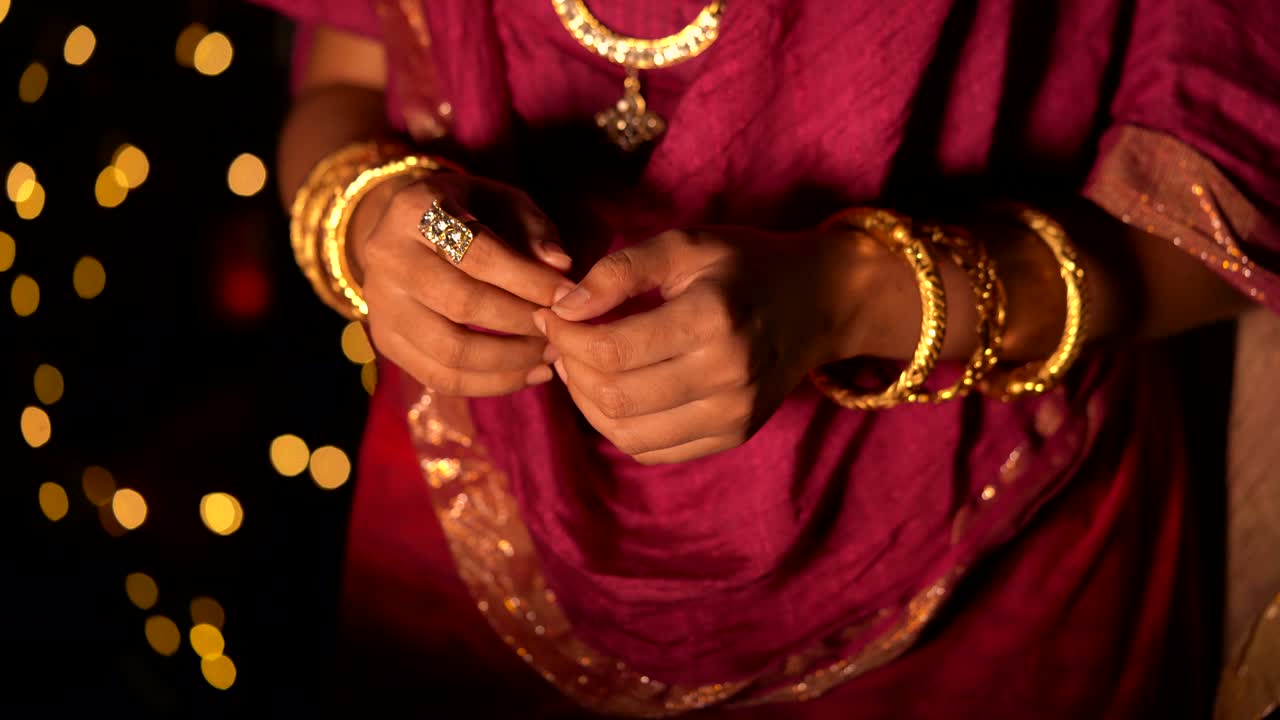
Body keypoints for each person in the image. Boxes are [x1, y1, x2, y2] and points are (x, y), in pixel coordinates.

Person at [254, 1, 1280, 717]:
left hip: (973, 562)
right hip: (469, 516)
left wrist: (849, 297)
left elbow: (1226, 207)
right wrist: (375, 222)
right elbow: (347, 80)